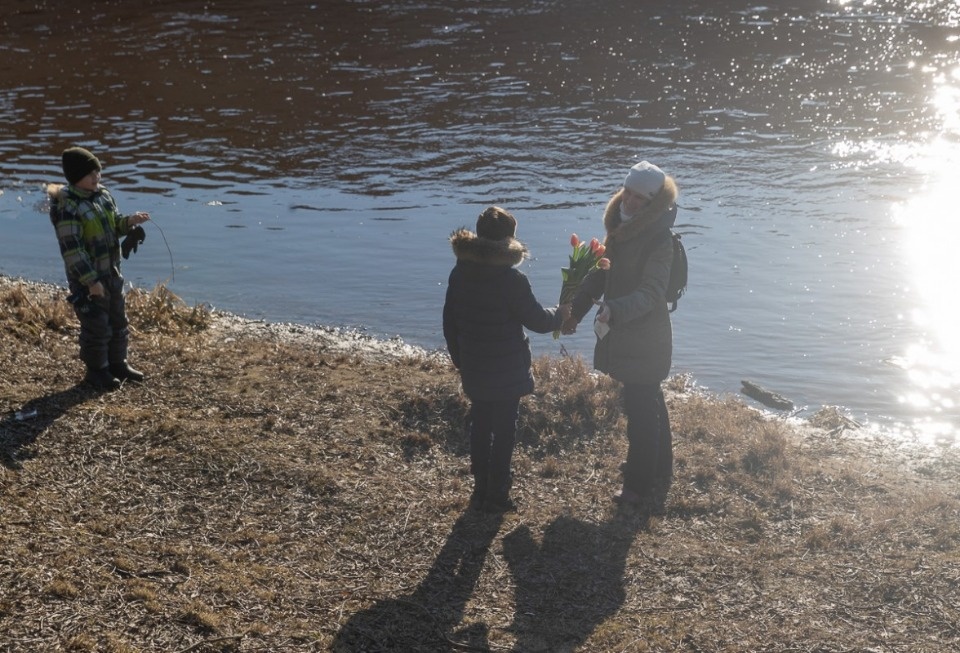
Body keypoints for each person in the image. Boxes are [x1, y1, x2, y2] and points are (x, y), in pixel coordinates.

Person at [561, 161, 678, 511]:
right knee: (647, 398)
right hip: (625, 332)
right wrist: (575, 312)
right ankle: (659, 469)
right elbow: (600, 276)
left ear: (653, 202)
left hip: (647, 336)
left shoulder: (660, 239)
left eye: (639, 198)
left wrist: (615, 309)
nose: (629, 201)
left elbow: (652, 293)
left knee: (641, 407)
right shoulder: (620, 228)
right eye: (627, 192)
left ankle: (637, 487)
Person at [443, 206, 570, 512]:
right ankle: (498, 492)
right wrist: (561, 315)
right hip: (507, 370)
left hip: (474, 366)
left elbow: (449, 322)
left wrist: (460, 360)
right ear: (510, 239)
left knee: (480, 424)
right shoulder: (512, 279)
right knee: (504, 431)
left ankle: (480, 488)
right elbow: (538, 320)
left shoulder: (460, 271)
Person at [47, 146, 151, 391]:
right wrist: (91, 281)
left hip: (112, 271)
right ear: (75, 177)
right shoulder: (67, 206)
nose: (96, 177)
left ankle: (118, 363)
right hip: (88, 280)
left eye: (97, 172)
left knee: (118, 320)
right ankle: (97, 370)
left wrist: (130, 222)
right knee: (96, 326)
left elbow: (114, 225)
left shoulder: (103, 195)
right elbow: (72, 250)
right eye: (90, 174)